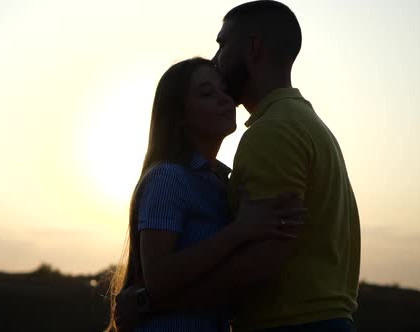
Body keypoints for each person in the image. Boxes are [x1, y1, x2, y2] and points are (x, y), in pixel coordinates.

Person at [115, 1, 361, 332]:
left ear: (254, 47)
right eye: (205, 92)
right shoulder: (303, 122)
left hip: (291, 323)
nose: (217, 60)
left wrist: (150, 301)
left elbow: (262, 262)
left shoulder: (271, 133)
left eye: (222, 44)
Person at [106, 57, 305, 332]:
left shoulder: (222, 183)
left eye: (224, 90)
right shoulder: (168, 177)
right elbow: (158, 278)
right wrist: (240, 230)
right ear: (179, 117)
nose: (225, 99)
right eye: (207, 93)